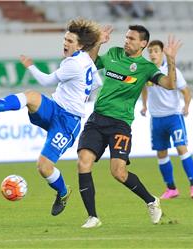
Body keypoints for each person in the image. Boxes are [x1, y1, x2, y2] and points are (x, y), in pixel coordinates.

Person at [0, 18, 102, 216]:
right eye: (65, 39)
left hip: (68, 122)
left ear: (80, 45)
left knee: (43, 166)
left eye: (70, 41)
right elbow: (96, 82)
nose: (65, 43)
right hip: (55, 107)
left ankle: (63, 192)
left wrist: (30, 66)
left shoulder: (74, 64)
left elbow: (46, 80)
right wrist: (82, 92)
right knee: (31, 96)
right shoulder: (85, 61)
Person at [77, 25, 182, 228]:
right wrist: (98, 42)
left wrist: (170, 58)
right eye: (126, 37)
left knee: (118, 172)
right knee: (83, 162)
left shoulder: (146, 68)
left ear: (143, 43)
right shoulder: (114, 53)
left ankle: (151, 201)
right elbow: (88, 61)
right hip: (97, 119)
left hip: (120, 124)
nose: (126, 41)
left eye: (132, 38)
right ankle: (93, 217)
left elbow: (170, 84)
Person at [141, 40, 193, 200]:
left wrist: (186, 106)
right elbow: (144, 88)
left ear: (162, 53)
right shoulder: (147, 71)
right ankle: (171, 188)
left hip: (174, 116)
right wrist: (144, 106)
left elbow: (186, 91)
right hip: (157, 119)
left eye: (155, 51)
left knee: (181, 148)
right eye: (150, 51)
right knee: (161, 153)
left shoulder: (172, 71)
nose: (152, 54)